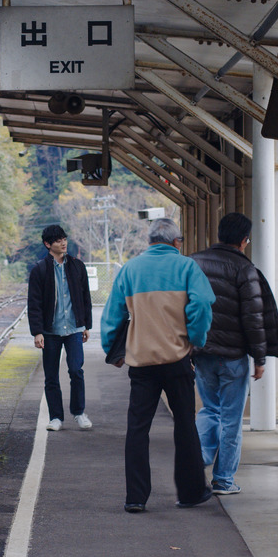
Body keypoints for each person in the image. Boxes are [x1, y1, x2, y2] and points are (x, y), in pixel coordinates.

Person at [100, 218, 215, 513]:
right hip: (177, 360)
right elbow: (201, 304)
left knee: (137, 428)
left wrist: (112, 350)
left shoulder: (130, 270)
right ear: (176, 242)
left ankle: (135, 497)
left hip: (141, 363)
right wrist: (196, 338)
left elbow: (112, 315)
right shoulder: (187, 267)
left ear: (150, 242)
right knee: (185, 427)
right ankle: (190, 492)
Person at [190, 213, 278, 496]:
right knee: (231, 419)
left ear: (219, 234)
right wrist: (260, 358)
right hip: (232, 357)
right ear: (244, 241)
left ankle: (199, 460)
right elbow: (254, 318)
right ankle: (223, 481)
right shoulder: (245, 269)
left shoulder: (194, 263)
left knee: (209, 409)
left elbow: (184, 307)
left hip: (202, 352)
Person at [27, 224, 94, 432]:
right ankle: (56, 417)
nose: (63, 243)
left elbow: (85, 297)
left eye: (64, 239)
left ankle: (79, 412)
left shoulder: (77, 266)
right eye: (58, 240)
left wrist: (86, 325)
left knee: (76, 370)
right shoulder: (40, 269)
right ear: (48, 244)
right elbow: (34, 303)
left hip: (74, 328)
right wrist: (37, 331)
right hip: (50, 331)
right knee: (51, 376)